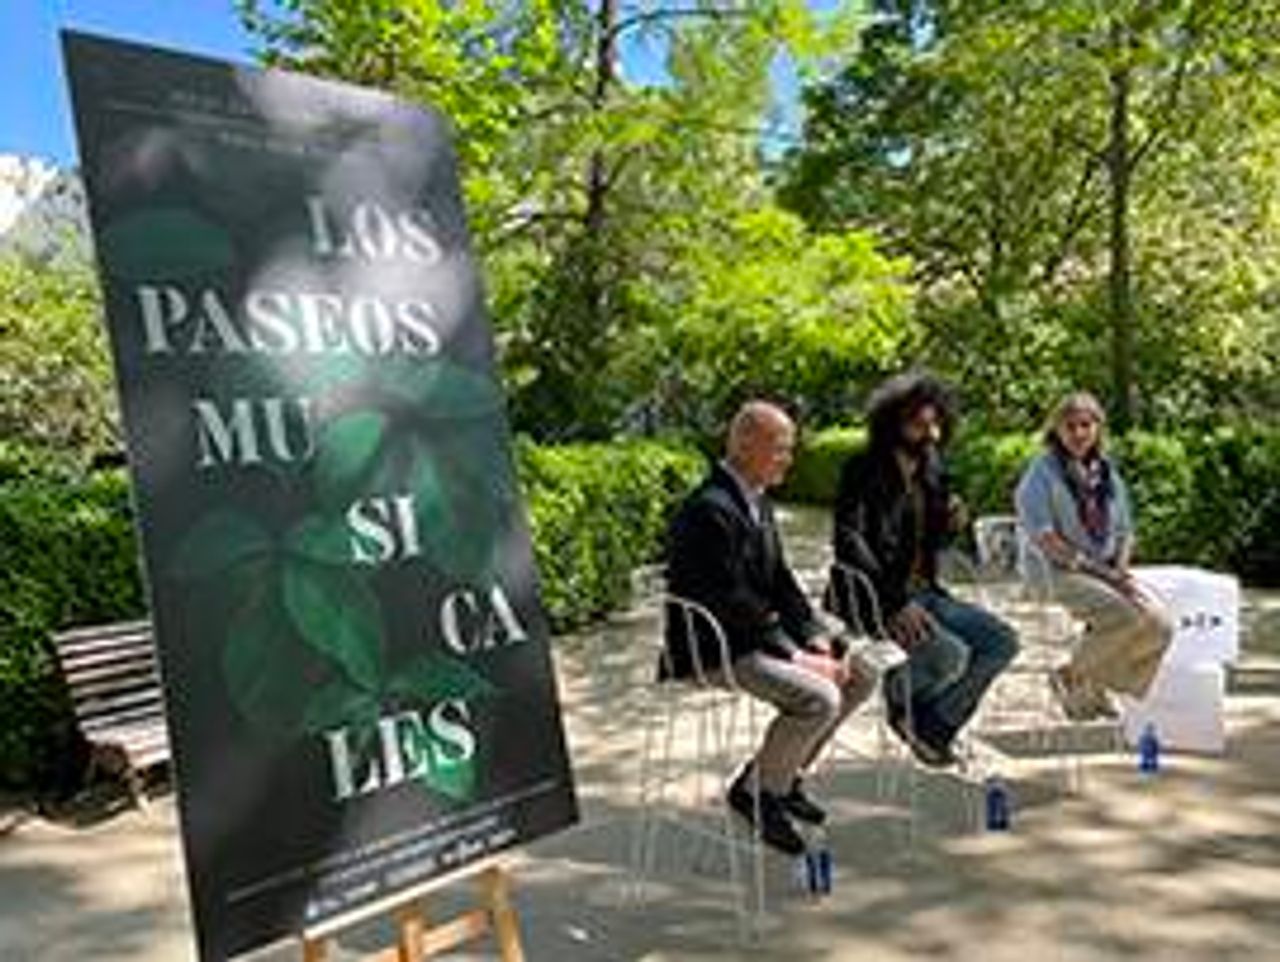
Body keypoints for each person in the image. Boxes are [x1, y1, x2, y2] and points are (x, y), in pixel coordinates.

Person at [664, 400, 876, 856]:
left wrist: (815, 636)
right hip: (714, 647)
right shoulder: (709, 508)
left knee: (861, 674)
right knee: (818, 698)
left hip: (752, 637)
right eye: (780, 448)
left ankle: (781, 778)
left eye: (790, 449)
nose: (789, 459)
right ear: (743, 444)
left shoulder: (756, 499)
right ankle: (759, 797)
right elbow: (729, 600)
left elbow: (781, 582)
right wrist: (796, 656)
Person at [827, 372, 1018, 766]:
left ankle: (933, 726)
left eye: (936, 424)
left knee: (1002, 642)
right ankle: (901, 699)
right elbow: (850, 542)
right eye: (919, 424)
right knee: (949, 655)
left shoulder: (932, 472)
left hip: (926, 594)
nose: (930, 434)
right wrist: (894, 603)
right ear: (892, 423)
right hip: (871, 597)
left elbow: (932, 547)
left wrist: (951, 525)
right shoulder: (862, 470)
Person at [1014, 391, 1172, 720]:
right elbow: (1047, 540)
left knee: (1160, 625)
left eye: (1087, 425)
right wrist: (1105, 574)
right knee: (1123, 615)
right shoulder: (1040, 474)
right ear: (1056, 429)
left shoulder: (1107, 473)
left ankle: (1090, 679)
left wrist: (1121, 570)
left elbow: (1125, 529)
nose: (1079, 433)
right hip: (1055, 571)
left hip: (1103, 570)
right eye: (1070, 426)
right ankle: (1072, 678)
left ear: (1098, 428)